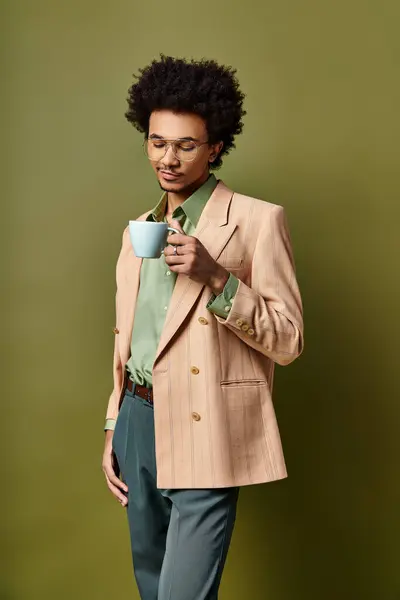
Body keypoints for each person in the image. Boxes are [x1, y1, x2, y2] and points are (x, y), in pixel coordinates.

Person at [101, 55, 304, 600]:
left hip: (206, 423)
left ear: (214, 146)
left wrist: (218, 277)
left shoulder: (258, 220)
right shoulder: (137, 232)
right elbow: (131, 340)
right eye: (157, 141)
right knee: (151, 587)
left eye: (186, 144)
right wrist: (113, 427)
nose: (168, 158)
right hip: (136, 423)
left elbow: (287, 340)